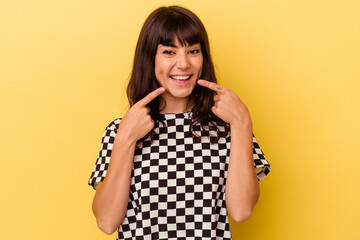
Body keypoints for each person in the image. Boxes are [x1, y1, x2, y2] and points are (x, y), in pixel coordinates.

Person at [88, 5, 271, 240]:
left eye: (193, 51)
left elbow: (242, 211)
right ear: (149, 58)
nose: (184, 64)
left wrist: (242, 123)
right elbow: (106, 221)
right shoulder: (120, 130)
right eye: (169, 52)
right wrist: (126, 138)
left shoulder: (229, 126)